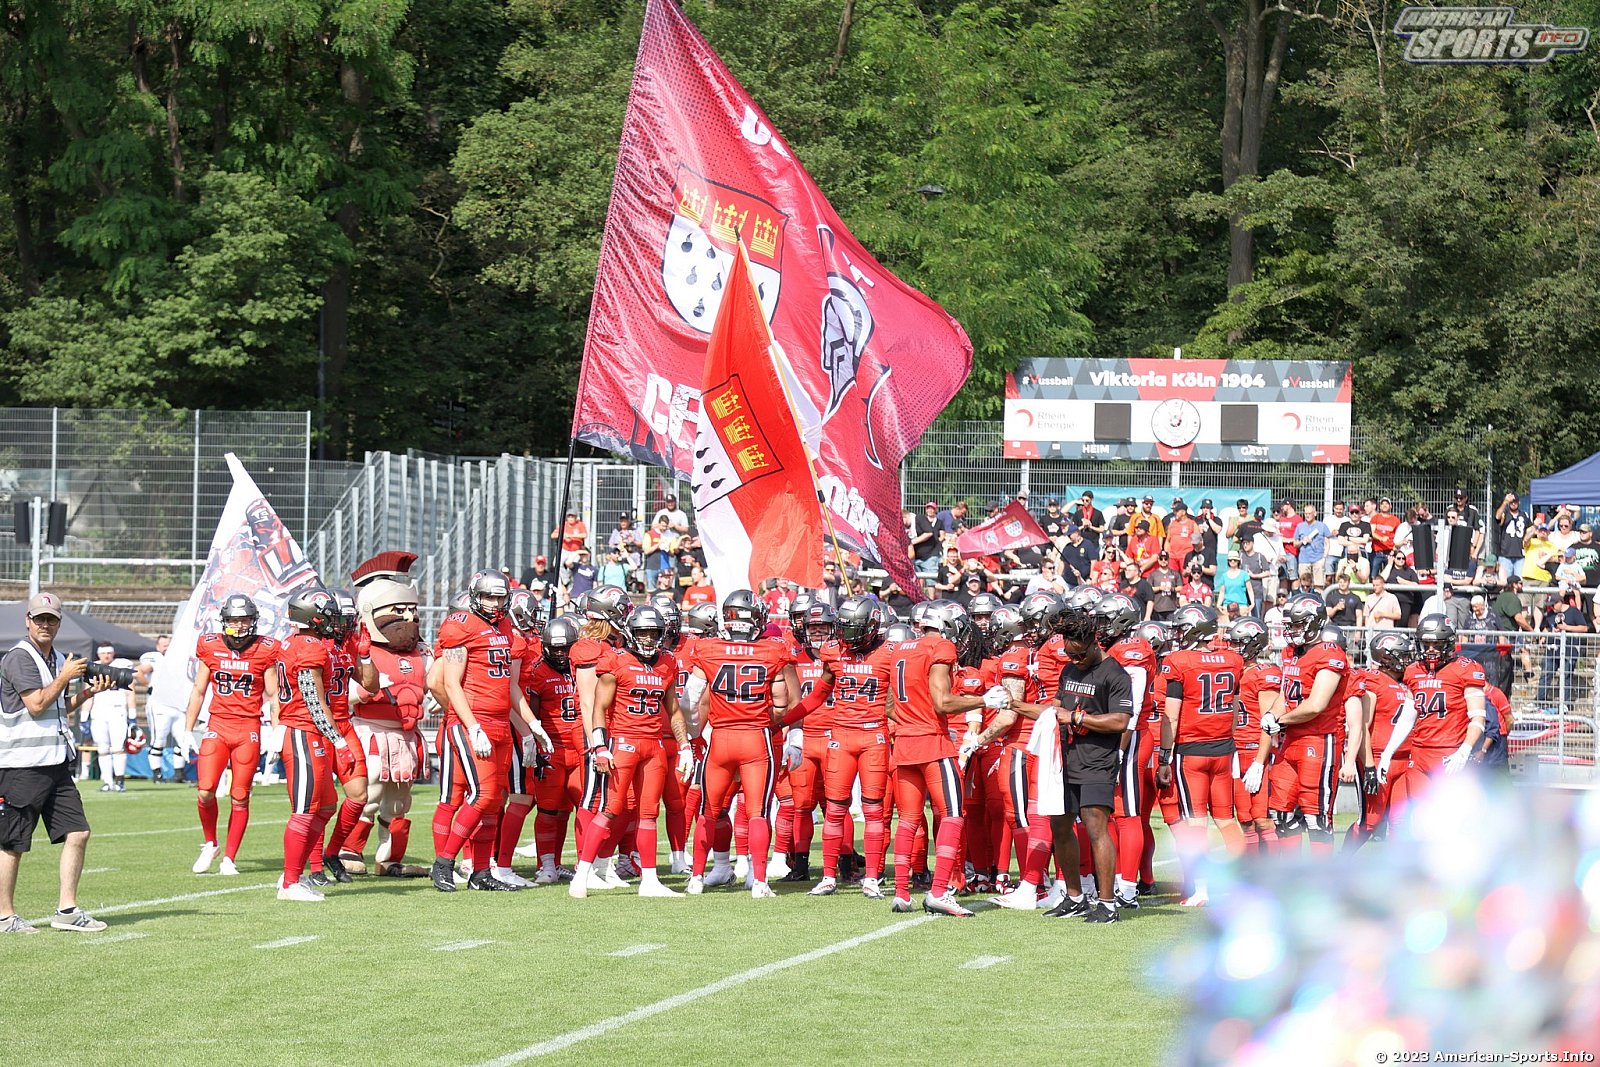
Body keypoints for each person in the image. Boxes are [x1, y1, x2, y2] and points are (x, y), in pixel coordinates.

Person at [0, 592, 115, 933]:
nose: (45, 624)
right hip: (22, 764)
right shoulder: (19, 658)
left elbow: (59, 706)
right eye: (40, 619)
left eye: (51, 619)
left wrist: (89, 693)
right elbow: (36, 705)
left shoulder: (58, 658)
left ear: (59, 622)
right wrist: (65, 677)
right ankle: (5, 915)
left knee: (78, 832)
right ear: (28, 621)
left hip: (55, 762)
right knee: (12, 842)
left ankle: (67, 910)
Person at [679, 593, 799, 899]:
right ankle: (759, 882)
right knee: (757, 811)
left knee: (709, 810)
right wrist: (775, 725)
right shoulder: (772, 650)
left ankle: (696, 878)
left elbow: (689, 701)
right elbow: (783, 703)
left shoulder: (709, 648)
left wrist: (694, 735)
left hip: (720, 738)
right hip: (756, 738)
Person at [428, 570, 539, 894]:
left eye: (500, 597)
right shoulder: (460, 625)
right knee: (483, 795)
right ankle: (444, 862)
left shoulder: (506, 629)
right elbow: (450, 683)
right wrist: (473, 726)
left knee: (494, 803)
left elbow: (511, 686)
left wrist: (531, 726)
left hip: (501, 722)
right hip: (473, 722)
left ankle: (480, 872)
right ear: (475, 597)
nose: (494, 603)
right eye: (489, 596)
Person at [570, 605, 688, 898]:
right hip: (623, 742)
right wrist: (599, 746)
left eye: (654, 633)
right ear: (631, 633)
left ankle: (650, 881)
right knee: (611, 808)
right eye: (643, 632)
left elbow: (674, 710)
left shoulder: (667, 663)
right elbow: (599, 707)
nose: (649, 639)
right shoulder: (616, 660)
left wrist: (685, 745)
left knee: (648, 813)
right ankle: (582, 875)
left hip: (654, 745)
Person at [267, 587, 359, 902]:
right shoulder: (310, 647)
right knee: (304, 811)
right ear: (314, 617)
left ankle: (293, 875)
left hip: (307, 732)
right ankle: (290, 882)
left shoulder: (296, 642)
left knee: (327, 805)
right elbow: (315, 703)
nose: (335, 622)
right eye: (329, 616)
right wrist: (340, 742)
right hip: (303, 732)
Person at [1041, 611, 1134, 924]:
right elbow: (1057, 707)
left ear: (1095, 643)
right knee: (1060, 826)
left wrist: (1078, 718)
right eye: (1070, 654)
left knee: (1096, 827)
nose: (1076, 660)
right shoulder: (1069, 669)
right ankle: (1075, 897)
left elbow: (1120, 720)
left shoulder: (1115, 673)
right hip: (1066, 757)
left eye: (1080, 654)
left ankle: (1107, 903)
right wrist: (1019, 706)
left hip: (1098, 759)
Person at [345, 560, 434, 879]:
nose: (409, 618)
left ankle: (389, 859)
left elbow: (435, 682)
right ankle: (348, 850)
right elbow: (341, 692)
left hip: (407, 734)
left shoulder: (422, 651)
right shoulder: (360, 650)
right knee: (368, 795)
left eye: (412, 610)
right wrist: (364, 690)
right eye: (399, 610)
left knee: (399, 802)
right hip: (371, 730)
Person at [186, 595, 280, 876]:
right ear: (224, 621)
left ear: (253, 621)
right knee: (205, 790)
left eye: (244, 619)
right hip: (218, 724)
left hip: (248, 727)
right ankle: (211, 843)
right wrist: (187, 729)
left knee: (239, 795)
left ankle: (229, 857)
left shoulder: (266, 649)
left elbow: (274, 695)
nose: (239, 625)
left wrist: (277, 732)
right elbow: (199, 691)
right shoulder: (210, 645)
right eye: (234, 620)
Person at [1158, 605, 1245, 907]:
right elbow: (1234, 709)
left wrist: (1164, 757)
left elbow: (1171, 716)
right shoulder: (1233, 660)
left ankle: (1203, 889)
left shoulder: (1179, 661)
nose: (1180, 634)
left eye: (1184, 628)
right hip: (1223, 748)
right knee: (1226, 819)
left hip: (1191, 752)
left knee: (1196, 823)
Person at [1266, 594, 1359, 856]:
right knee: (1280, 813)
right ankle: (1292, 872)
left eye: (1298, 625)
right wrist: (1271, 715)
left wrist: (1280, 721)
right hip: (1291, 741)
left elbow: (1316, 705)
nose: (1292, 631)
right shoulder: (1290, 653)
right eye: (1291, 625)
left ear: (1314, 623)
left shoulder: (1330, 653)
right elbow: (1285, 696)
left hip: (1318, 740)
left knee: (1315, 818)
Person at [1403, 616, 1487, 781]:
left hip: (1451, 750)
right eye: (1426, 644)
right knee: (1415, 797)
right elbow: (1406, 719)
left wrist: (1464, 751)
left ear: (1448, 643)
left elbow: (1478, 718)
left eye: (1437, 644)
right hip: (1420, 753)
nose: (1431, 649)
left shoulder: (1466, 669)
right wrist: (1388, 753)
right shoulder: (1414, 670)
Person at [82, 645, 133, 792]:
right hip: (99, 712)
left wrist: (132, 715)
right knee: (102, 748)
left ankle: (120, 780)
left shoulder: (122, 665)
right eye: (103, 653)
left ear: (113, 653)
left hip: (117, 711)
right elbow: (88, 694)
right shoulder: (93, 668)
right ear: (98, 654)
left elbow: (131, 692)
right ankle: (107, 781)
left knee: (118, 747)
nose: (106, 656)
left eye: (109, 653)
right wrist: (84, 717)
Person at [140, 634, 186, 783]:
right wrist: (149, 686)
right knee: (159, 740)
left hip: (178, 705)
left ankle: (179, 774)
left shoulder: (179, 658)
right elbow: (138, 671)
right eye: (165, 645)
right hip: (160, 705)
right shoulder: (155, 658)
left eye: (169, 644)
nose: (168, 648)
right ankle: (157, 774)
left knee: (183, 740)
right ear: (158, 647)